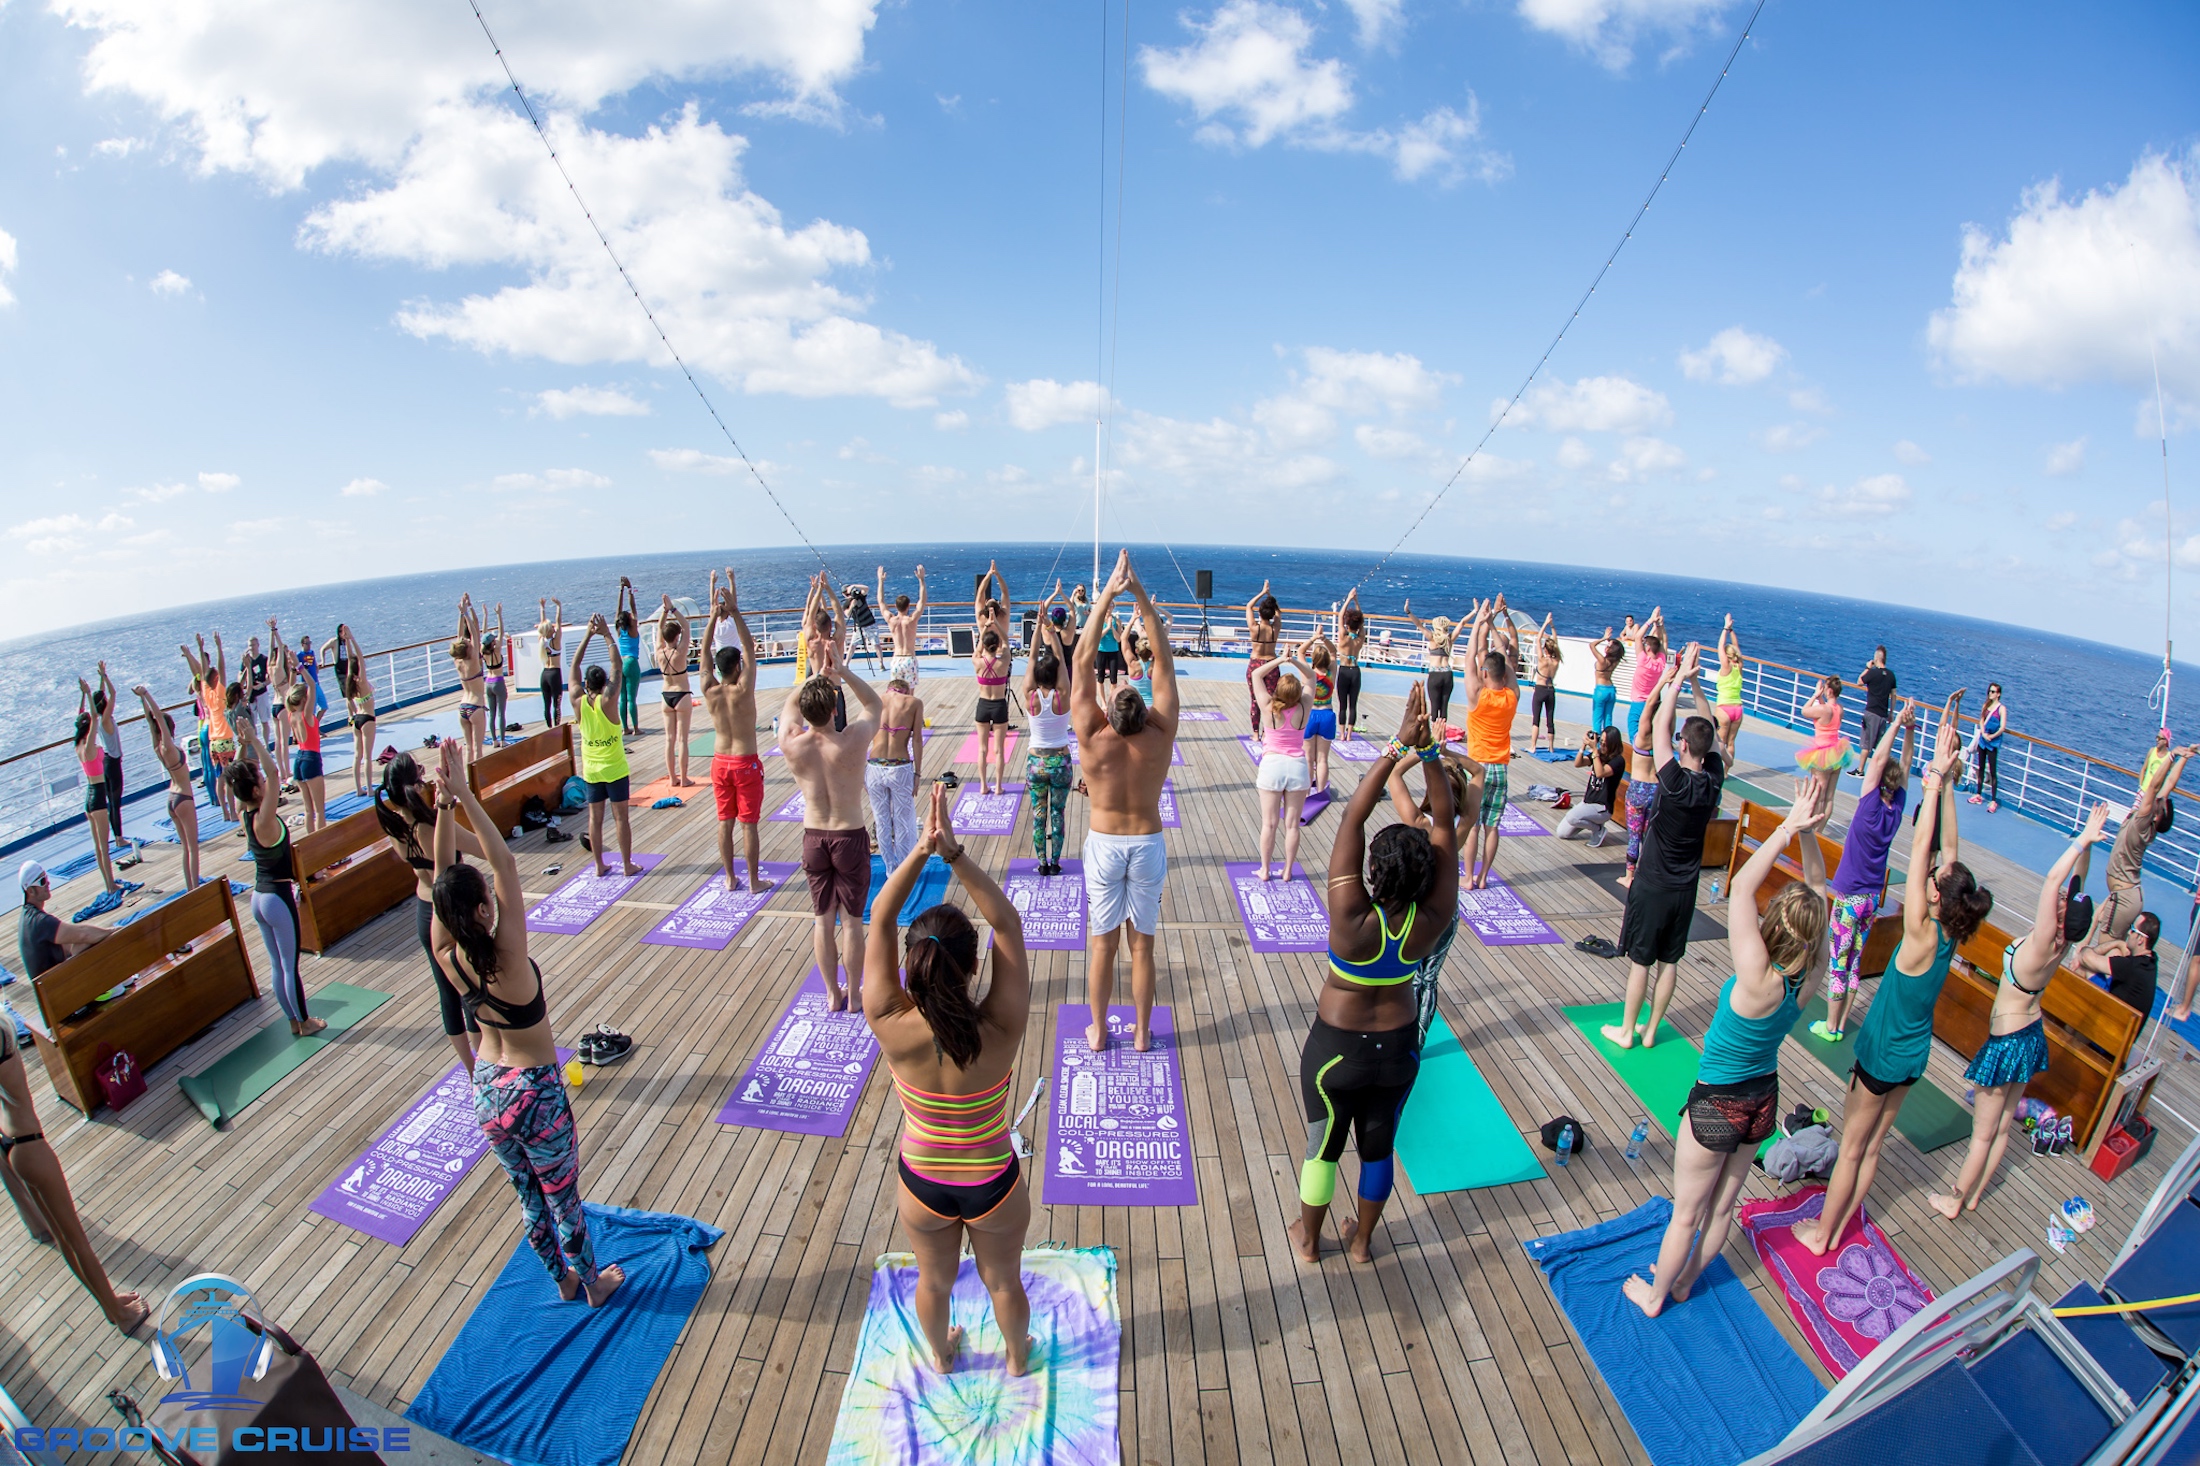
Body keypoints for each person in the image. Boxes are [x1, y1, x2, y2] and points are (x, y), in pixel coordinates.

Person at [1623, 780, 1831, 1318]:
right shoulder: (1807, 978)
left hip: (1718, 1102)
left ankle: (1656, 1296)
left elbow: (1739, 888)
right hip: (1762, 1100)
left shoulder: (1757, 974)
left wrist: (1788, 828)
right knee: (1720, 1211)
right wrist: (1809, 835)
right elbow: (1820, 896)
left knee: (1686, 1214)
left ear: (1774, 924)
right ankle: (1686, 1281)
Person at [429, 742, 625, 1309]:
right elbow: (506, 863)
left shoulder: (447, 955)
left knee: (527, 1194)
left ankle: (562, 1281)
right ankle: (592, 1284)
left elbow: (443, 879)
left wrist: (444, 806)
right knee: (563, 1198)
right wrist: (464, 794)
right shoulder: (508, 956)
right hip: (535, 1091)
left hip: (487, 1088)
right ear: (483, 909)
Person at [1798, 735, 1993, 1256]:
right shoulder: (1953, 929)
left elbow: (1925, 845)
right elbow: (1950, 852)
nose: (1927, 874)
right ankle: (1842, 1224)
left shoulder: (1921, 931)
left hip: (1882, 1055)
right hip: (1912, 1058)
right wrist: (1945, 785)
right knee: (1873, 1148)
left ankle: (1822, 1235)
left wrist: (1932, 785)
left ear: (1935, 896)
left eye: (1931, 880)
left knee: (1851, 1148)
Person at [864, 785, 1034, 1374]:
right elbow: (1008, 923)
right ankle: (1017, 1358)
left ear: (911, 967)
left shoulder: (889, 1022)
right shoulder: (1000, 1028)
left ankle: (940, 1355)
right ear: (973, 966)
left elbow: (878, 918)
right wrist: (954, 854)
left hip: (923, 1181)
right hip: (992, 1179)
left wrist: (920, 851)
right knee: (1004, 1282)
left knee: (933, 1283)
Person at [1290, 684, 1460, 1265]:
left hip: (1336, 1048)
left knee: (1323, 1148)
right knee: (1378, 1148)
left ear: (1372, 870)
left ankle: (1309, 1241)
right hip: (1399, 1048)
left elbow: (1354, 814)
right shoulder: (1432, 919)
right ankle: (1362, 1243)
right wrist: (1430, 753)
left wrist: (1398, 746)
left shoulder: (1350, 918)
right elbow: (1444, 825)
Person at [1931, 802, 2109, 1221]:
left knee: (1982, 1132)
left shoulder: (2045, 938)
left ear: (2061, 915)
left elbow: (2052, 880)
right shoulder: (2065, 941)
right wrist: (2088, 845)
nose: (2061, 897)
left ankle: (1955, 1199)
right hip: (2030, 1035)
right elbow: (2075, 883)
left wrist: (2080, 840)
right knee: (2003, 1127)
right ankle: (1975, 1195)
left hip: (2007, 1041)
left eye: (2064, 901)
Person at [3, 872, 146, 1333]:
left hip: (8, 1143)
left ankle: (40, 1230)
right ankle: (117, 1312)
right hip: (29, 1140)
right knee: (76, 1240)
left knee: (57, 1233)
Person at [1076, 551, 1179, 1052]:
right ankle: (1140, 1032)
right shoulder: (1160, 735)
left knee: (1102, 945)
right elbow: (1163, 662)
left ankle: (1098, 1031)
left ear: (1109, 711)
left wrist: (1106, 598)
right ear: (1143, 710)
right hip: (1147, 842)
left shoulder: (1093, 736)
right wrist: (1139, 595)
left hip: (1105, 842)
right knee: (1142, 947)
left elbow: (1082, 659)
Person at [1603, 644, 1726, 1049]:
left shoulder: (1672, 780)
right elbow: (1710, 735)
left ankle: (1627, 1031)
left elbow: (1658, 723)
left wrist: (1677, 679)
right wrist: (1696, 685)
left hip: (1653, 883)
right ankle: (1652, 1030)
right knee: (1669, 961)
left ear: (1683, 746)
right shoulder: (1713, 783)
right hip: (1685, 889)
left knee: (1641, 960)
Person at [1809, 705, 1918, 1042]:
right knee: (1855, 961)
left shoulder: (1869, 803)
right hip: (1871, 899)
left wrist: (1897, 722)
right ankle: (1841, 1024)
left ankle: (1830, 1026)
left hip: (1849, 899)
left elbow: (1879, 757)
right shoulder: (1896, 809)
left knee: (1838, 962)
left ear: (1878, 779)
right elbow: (1906, 765)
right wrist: (1910, 731)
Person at [782, 645, 882, 1013]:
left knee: (822, 920)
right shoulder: (852, 740)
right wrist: (843, 672)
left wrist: (815, 677)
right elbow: (874, 705)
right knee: (852, 922)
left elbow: (789, 707)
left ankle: (830, 993)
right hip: (848, 834)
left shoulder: (792, 743)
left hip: (814, 836)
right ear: (835, 711)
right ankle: (854, 995)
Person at [375, 751, 486, 1073]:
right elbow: (485, 847)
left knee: (447, 994)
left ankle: (471, 1070)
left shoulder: (395, 827)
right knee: (470, 989)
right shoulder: (433, 826)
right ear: (418, 782)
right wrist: (452, 801)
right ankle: (487, 1063)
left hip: (425, 912)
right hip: (452, 913)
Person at [1381, 729, 1483, 1048]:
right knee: (1429, 977)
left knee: (1408, 975)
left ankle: (1398, 1033)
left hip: (1415, 907)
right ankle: (1418, 1039)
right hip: (1446, 910)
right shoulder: (1463, 823)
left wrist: (1426, 752)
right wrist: (1446, 753)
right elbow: (1479, 771)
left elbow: (1394, 773)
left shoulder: (1420, 822)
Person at [227, 718, 323, 1038]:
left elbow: (239, 781)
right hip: (277, 899)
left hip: (259, 897)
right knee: (289, 966)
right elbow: (272, 772)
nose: (265, 782)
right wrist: (254, 740)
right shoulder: (264, 819)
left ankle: (293, 1022)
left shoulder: (244, 812)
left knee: (276, 965)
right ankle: (305, 1022)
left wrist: (242, 746)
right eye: (259, 781)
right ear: (256, 790)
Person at [2093, 740, 2193, 949]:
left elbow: (2155, 785)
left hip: (2123, 898)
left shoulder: (2141, 822)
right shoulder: (2148, 820)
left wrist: (2172, 756)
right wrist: (2185, 756)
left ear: (2156, 816)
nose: (2159, 798)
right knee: (2115, 949)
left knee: (2103, 950)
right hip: (2128, 895)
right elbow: (2168, 784)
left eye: (2160, 802)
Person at [702, 570, 765, 894]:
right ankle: (753, 881)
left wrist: (713, 617)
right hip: (744, 762)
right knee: (748, 825)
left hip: (720, 761)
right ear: (737, 666)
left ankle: (730, 877)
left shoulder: (709, 689)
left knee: (724, 822)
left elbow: (703, 655)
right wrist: (735, 611)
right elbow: (750, 649)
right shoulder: (743, 690)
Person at [568, 613, 639, 878]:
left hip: (592, 771)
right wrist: (608, 635)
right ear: (604, 684)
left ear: (586, 684)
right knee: (621, 819)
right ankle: (627, 864)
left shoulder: (578, 702)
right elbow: (617, 666)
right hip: (615, 769)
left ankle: (599, 865)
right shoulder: (608, 701)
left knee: (594, 820)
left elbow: (574, 666)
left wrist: (588, 635)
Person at [1457, 600, 1520, 891]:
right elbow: (1506, 660)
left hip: (1478, 767)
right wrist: (1493, 624)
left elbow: (1469, 656)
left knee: (1471, 826)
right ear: (1503, 676)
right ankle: (1483, 878)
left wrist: (1479, 623)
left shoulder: (1477, 695)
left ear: (1484, 674)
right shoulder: (1512, 696)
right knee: (1492, 827)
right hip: (1501, 768)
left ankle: (1468, 877)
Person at [1249, 644, 1314, 882]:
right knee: (1292, 826)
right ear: (1297, 693)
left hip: (1272, 766)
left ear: (1277, 691)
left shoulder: (1268, 707)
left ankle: (1265, 870)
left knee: (1269, 824)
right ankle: (1287, 871)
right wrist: (1294, 660)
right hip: (1298, 766)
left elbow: (1256, 674)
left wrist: (1279, 659)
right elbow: (1312, 677)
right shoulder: (1304, 706)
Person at [1022, 598, 1075, 876]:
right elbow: (1062, 662)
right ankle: (1055, 862)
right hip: (1061, 762)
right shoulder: (1062, 696)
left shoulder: (1030, 696)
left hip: (1036, 762)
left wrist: (1037, 628)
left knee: (1038, 815)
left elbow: (1032, 658)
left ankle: (1042, 864)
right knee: (1058, 814)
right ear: (1055, 676)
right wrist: (1051, 631)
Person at [131, 684, 202, 888]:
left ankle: (190, 886)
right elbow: (157, 719)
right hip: (184, 798)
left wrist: (142, 700)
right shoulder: (168, 747)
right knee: (193, 848)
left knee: (186, 848)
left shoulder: (158, 748)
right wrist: (146, 694)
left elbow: (151, 720)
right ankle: (195, 888)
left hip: (172, 797)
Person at [867, 672, 927, 876]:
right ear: (907, 691)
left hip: (874, 765)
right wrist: (917, 773)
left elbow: (862, 734)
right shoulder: (914, 702)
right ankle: (904, 869)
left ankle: (889, 869)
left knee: (881, 821)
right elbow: (917, 739)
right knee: (904, 822)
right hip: (899, 766)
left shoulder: (876, 700)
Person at [70, 681, 122, 904]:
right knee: (104, 846)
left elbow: (82, 716)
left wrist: (84, 696)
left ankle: (108, 883)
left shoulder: (79, 746)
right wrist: (89, 692)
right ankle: (111, 885)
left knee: (98, 847)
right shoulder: (90, 745)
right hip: (99, 796)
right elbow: (91, 715)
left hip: (89, 796)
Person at [2075, 914, 2162, 1016]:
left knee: (2085, 966)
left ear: (2141, 939)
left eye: (2133, 930)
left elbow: (2086, 958)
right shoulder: (2150, 962)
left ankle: (2066, 1013)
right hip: (2124, 1017)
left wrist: (2082, 951)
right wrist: (2118, 944)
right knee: (2115, 952)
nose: (2129, 932)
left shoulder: (2130, 966)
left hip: (2110, 1018)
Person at [1556, 727, 1626, 845]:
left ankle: (1598, 829)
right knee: (1562, 833)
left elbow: (1600, 773)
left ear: (1613, 744)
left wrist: (1594, 751)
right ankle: (1592, 823)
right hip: (1587, 803)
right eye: (1601, 741)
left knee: (1572, 817)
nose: (1602, 745)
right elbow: (1578, 763)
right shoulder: (1599, 754)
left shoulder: (1618, 761)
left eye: (1605, 743)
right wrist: (1583, 746)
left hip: (1602, 807)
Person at [655, 592, 695, 788]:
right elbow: (686, 625)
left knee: (669, 739)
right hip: (682, 694)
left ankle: (672, 777)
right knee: (682, 740)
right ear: (677, 636)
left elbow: (659, 629)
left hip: (666, 696)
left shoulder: (659, 651)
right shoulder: (681, 651)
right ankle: (684, 778)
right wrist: (672, 609)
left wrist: (664, 612)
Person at [1794, 673, 1855, 802]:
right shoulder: (1840, 709)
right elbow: (1827, 710)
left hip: (1822, 754)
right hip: (1837, 753)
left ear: (1830, 691)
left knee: (1817, 795)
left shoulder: (1824, 710)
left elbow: (1804, 711)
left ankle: (1815, 815)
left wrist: (1815, 695)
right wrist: (1820, 698)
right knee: (1829, 797)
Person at [972, 628, 1014, 797]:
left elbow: (977, 649)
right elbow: (1006, 642)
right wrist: (996, 624)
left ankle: (983, 785)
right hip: (999, 705)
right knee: (999, 750)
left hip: (983, 705)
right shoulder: (1003, 662)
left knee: (982, 749)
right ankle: (998, 786)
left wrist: (985, 629)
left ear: (984, 645)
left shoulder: (977, 661)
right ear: (997, 646)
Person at [336, 624, 377, 797]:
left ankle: (359, 788)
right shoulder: (362, 681)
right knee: (367, 757)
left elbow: (351, 659)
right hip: (367, 719)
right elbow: (360, 658)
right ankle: (369, 789)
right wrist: (351, 639)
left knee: (357, 756)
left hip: (356, 719)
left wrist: (346, 642)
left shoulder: (351, 682)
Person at [1404, 602, 1457, 729]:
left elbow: (1418, 624)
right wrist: (1474, 611)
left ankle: (1434, 731)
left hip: (1435, 673)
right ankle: (1442, 730)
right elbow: (1463, 623)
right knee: (1444, 705)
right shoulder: (1449, 639)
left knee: (1434, 705)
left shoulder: (1432, 638)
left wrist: (1408, 612)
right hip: (1447, 673)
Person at [284, 684, 326, 834]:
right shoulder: (306, 715)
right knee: (319, 810)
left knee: (308, 810)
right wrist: (303, 672)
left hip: (299, 758)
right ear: (304, 699)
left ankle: (310, 839)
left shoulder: (291, 715)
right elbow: (313, 687)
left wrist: (294, 673)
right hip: (311, 758)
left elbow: (291, 690)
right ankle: (322, 841)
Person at [451, 597, 488, 764]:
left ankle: (468, 775)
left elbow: (459, 637)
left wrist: (461, 615)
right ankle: (479, 776)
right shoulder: (473, 660)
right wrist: (466, 613)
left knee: (469, 748)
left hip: (463, 707)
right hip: (476, 707)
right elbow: (474, 634)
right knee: (478, 749)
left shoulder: (458, 662)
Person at [881, 563, 928, 687]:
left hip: (896, 659)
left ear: (896, 606)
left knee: (896, 692)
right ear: (908, 606)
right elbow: (922, 601)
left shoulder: (891, 620)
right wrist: (921, 580)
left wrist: (881, 581)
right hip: (909, 659)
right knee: (910, 693)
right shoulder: (911, 620)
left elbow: (881, 602)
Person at [1301, 636, 1338, 793]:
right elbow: (1334, 651)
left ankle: (1307, 792)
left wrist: (1314, 638)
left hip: (1310, 715)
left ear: (1314, 659)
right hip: (1327, 714)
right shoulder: (1331, 672)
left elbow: (1301, 651)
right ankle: (1321, 792)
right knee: (1322, 759)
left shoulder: (1308, 674)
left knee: (1308, 759)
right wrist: (1324, 639)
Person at [1624, 607, 1667, 740]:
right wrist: (1660, 626)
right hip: (1652, 702)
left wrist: (1651, 620)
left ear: (1647, 648)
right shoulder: (1661, 663)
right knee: (1650, 734)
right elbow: (1664, 642)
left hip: (1638, 703)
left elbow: (1637, 637)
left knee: (1634, 734)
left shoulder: (1643, 660)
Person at [1246, 582, 1283, 736]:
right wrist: (1270, 597)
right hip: (1271, 663)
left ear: (1260, 614)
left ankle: (1255, 734)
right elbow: (1279, 612)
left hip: (1256, 663)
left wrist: (1262, 592)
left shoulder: (1254, 628)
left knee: (1255, 699)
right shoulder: (1275, 629)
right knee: (1271, 700)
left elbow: (1249, 606)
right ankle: (1267, 732)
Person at [1856, 646, 1898, 765]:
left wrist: (1867, 668)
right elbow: (1894, 695)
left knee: (1866, 744)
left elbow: (1859, 682)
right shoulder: (1891, 675)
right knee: (1880, 746)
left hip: (1871, 712)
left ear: (1876, 659)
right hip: (1883, 714)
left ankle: (1860, 770)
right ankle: (1878, 771)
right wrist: (1891, 712)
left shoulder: (1873, 673)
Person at [1713, 615, 1745, 767]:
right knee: (1731, 742)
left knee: (1720, 741)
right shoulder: (1739, 666)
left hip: (1724, 707)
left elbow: (1720, 646)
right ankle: (1726, 771)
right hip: (1737, 708)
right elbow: (1737, 648)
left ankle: (1718, 770)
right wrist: (1732, 631)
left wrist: (1725, 628)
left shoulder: (1726, 667)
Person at [1969, 684, 2006, 811]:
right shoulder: (1986, 705)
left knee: (1992, 771)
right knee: (1981, 768)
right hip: (1983, 740)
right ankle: (1978, 794)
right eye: (1989, 691)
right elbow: (1981, 720)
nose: (1990, 693)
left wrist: (1992, 736)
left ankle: (1993, 800)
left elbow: (2002, 727)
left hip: (1993, 742)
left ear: (1998, 694)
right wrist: (1984, 733)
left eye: (1993, 691)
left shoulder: (2001, 709)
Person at [1334, 592, 1367, 736]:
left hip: (1344, 670)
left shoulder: (1343, 636)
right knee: (1353, 705)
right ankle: (1349, 735)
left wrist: (1348, 599)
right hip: (1355, 671)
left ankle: (1342, 734)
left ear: (1347, 625)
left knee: (1343, 705)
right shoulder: (1360, 638)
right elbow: (1362, 621)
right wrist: (1357, 601)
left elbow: (1340, 616)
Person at [614, 578, 644, 735]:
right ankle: (636, 728)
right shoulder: (633, 629)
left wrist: (621, 590)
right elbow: (633, 608)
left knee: (623, 698)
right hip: (631, 662)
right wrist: (630, 589)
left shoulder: (619, 629)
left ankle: (625, 728)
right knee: (632, 698)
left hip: (621, 662)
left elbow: (618, 610)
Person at [1529, 615, 1561, 755]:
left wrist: (1545, 623)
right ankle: (1551, 747)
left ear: (1545, 649)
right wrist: (1552, 626)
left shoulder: (1542, 659)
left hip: (1540, 689)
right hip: (1550, 690)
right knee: (1550, 719)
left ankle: (1533, 746)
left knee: (1536, 719)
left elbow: (1538, 638)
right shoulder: (1556, 661)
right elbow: (1556, 641)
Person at [481, 604, 510, 747]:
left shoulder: (483, 652)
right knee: (501, 713)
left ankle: (494, 740)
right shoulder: (497, 650)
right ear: (492, 642)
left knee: (491, 714)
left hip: (488, 682)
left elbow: (483, 634)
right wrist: (499, 615)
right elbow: (501, 631)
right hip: (498, 681)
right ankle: (503, 740)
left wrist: (485, 616)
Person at [1589, 627, 1625, 738]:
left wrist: (1604, 638)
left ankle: (1597, 741)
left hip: (1601, 690)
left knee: (1597, 718)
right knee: (1608, 718)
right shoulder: (1616, 660)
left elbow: (1592, 645)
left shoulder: (1602, 661)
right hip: (1611, 690)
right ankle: (1609, 740)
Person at [537, 596, 567, 727]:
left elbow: (542, 623)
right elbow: (559, 622)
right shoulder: (555, 641)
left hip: (544, 674)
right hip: (554, 673)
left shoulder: (541, 640)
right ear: (550, 630)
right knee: (557, 704)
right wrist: (559, 606)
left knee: (546, 705)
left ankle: (549, 727)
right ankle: (556, 726)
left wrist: (542, 608)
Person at [243, 633, 272, 745]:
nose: (252, 648)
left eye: (253, 645)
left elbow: (270, 678)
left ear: (258, 645)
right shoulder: (246, 661)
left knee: (264, 721)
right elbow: (240, 678)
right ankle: (255, 746)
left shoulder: (264, 659)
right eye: (250, 645)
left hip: (262, 693)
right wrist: (246, 666)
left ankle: (267, 745)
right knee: (252, 723)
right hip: (251, 695)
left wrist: (263, 684)